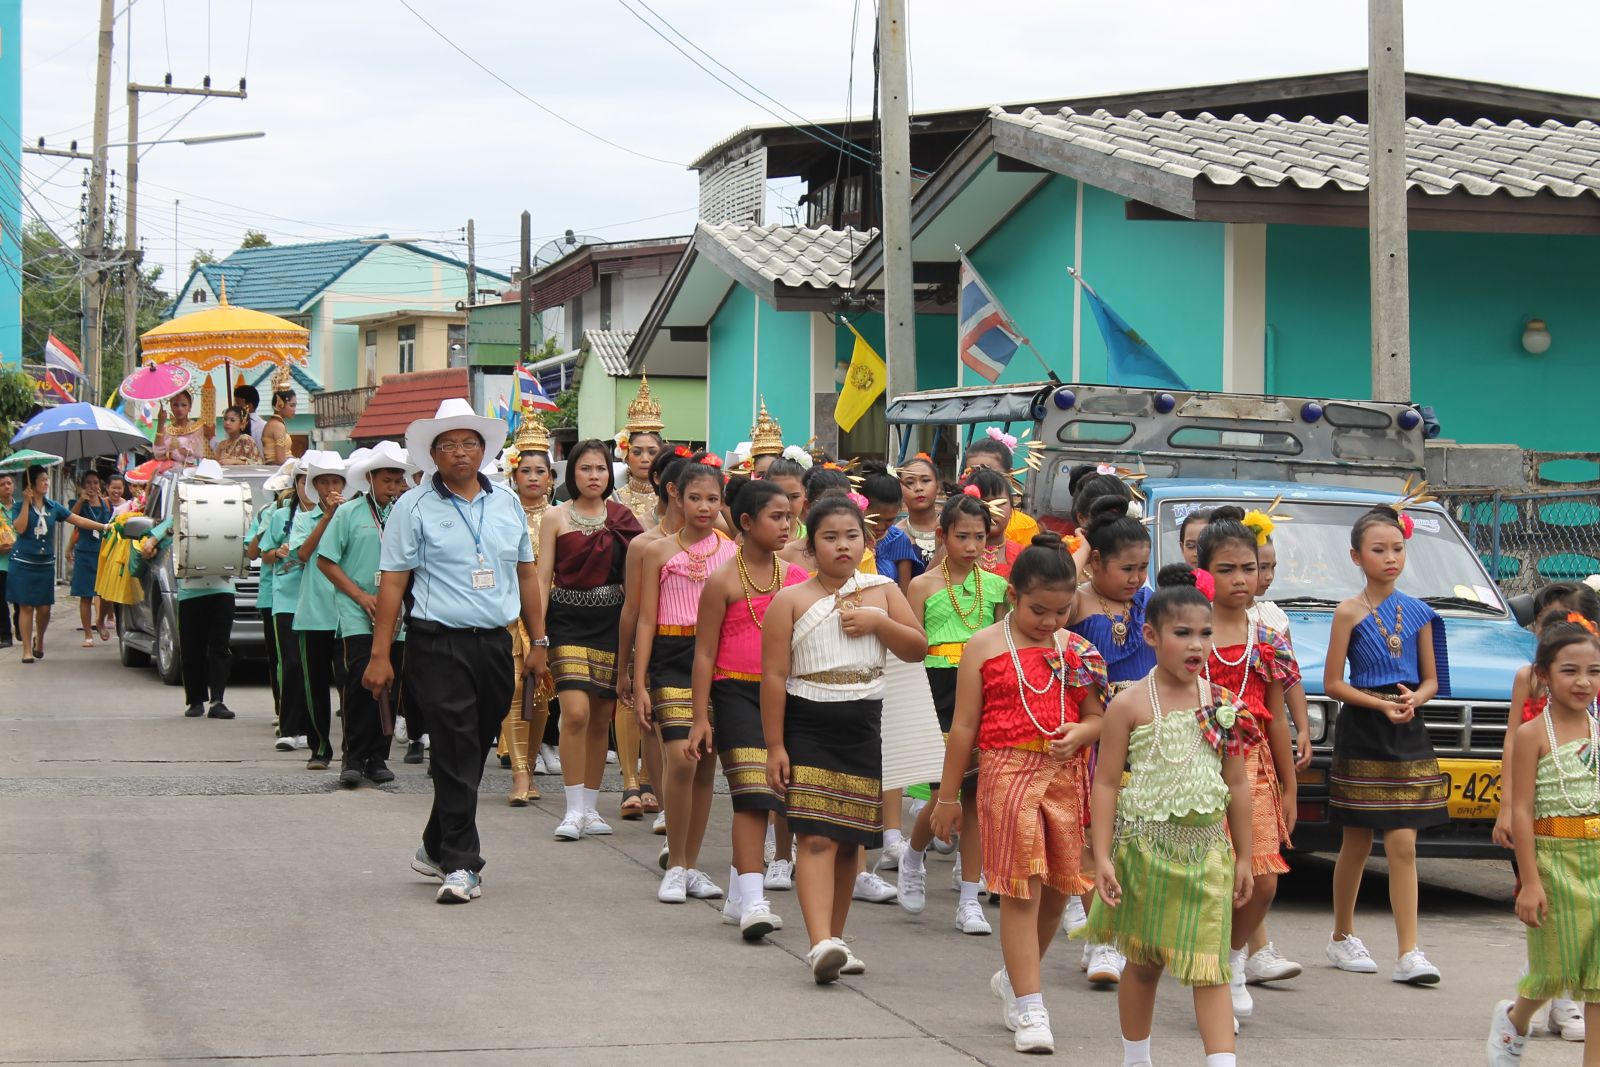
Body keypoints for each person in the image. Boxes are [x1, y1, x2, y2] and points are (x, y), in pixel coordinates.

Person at [363, 397, 548, 905]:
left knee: (472, 748)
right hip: (436, 644)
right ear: (433, 454)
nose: (460, 452)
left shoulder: (507, 501)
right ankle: (463, 863)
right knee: (453, 746)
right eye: (448, 445)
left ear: (484, 450)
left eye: (469, 443)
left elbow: (526, 574)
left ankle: (433, 843)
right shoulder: (413, 506)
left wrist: (539, 641)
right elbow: (393, 583)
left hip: (495, 643)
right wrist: (381, 654)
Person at [1076, 564, 1255, 1067]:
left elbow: (1238, 783)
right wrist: (1102, 856)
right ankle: (1137, 1059)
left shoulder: (1223, 704)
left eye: (1205, 633)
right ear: (1152, 636)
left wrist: (1244, 856)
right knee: (1144, 962)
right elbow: (1105, 783)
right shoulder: (1128, 704)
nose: (1196, 645)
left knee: (1210, 968)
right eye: (1182, 633)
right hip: (1145, 852)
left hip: (1208, 855)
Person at [937, 533, 1106, 1054]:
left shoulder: (1078, 650)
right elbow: (964, 726)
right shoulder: (984, 645)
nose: (1050, 622)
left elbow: (1098, 717)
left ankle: (1016, 978)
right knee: (1021, 890)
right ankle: (1032, 1007)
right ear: (1013, 595)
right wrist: (947, 796)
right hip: (1007, 775)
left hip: (1065, 777)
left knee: (1058, 891)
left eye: (1061, 611)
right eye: (1038, 610)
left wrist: (1082, 732)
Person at [761, 495, 925, 984]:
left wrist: (880, 623)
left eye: (851, 535)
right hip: (808, 724)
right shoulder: (790, 600)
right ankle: (819, 942)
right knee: (815, 836)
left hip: (865, 725)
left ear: (866, 541)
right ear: (811, 547)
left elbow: (917, 648)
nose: (842, 546)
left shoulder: (884, 591)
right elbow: (773, 677)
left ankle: (835, 938)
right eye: (829, 537)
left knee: (851, 841)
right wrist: (775, 746)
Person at [1323, 504, 1449, 984]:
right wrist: (1379, 705)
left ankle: (1409, 951)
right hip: (1363, 727)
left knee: (1403, 844)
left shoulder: (1419, 613)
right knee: (1355, 841)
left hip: (1407, 728)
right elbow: (1333, 683)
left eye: (1397, 549)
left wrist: (1417, 697)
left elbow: (1432, 679)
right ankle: (1341, 935)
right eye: (1379, 550)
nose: (1391, 558)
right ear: (1356, 556)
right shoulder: (1347, 612)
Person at [1192, 507, 1300, 1025]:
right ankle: (1211, 975)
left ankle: (1235, 958)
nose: (1241, 579)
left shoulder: (1268, 639)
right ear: (1204, 572)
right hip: (1198, 766)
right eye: (1227, 569)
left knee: (1263, 882)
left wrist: (1290, 787)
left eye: (1249, 568)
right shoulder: (1193, 635)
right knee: (1212, 881)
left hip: (1254, 771)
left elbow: (1277, 718)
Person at [692, 478, 805, 939]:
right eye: (775, 517)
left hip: (787, 694)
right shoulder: (722, 580)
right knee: (753, 795)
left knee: (777, 792)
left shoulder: (796, 579)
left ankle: (739, 894)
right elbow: (703, 653)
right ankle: (754, 901)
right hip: (733, 692)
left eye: (789, 516)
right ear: (746, 522)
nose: (786, 525)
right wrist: (700, 717)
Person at [1486, 615, 1600, 1066]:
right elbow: (1522, 810)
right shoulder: (1531, 734)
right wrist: (1530, 881)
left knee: (1599, 977)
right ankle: (1515, 1019)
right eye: (1570, 670)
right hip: (1554, 862)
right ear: (1544, 675)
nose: (1583, 681)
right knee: (1554, 970)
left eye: (1593, 671)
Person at [899, 492, 1011, 934]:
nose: (971, 545)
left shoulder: (997, 586)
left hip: (984, 688)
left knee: (976, 798)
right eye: (962, 536)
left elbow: (1003, 642)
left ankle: (968, 900)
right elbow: (912, 645)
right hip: (936, 690)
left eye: (979, 537)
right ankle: (913, 856)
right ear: (942, 535)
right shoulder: (922, 586)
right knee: (941, 793)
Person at [636, 455, 736, 904]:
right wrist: (639, 681)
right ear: (677, 497)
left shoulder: (732, 552)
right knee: (682, 758)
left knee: (706, 763)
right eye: (695, 497)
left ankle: (692, 864)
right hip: (671, 657)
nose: (704, 506)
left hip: (719, 660)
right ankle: (675, 863)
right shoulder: (657, 551)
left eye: (713, 499)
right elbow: (645, 619)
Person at [1066, 494, 1154, 986]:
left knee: (1134, 835)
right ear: (1097, 561)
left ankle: (1120, 931)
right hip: (1095, 728)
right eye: (1126, 568)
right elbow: (1053, 589)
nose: (1136, 578)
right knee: (1090, 832)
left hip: (1144, 730)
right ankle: (1101, 937)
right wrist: (1082, 549)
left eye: (1143, 567)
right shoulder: (1078, 600)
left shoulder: (1149, 602)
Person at [539, 438, 645, 841]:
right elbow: (542, 578)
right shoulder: (554, 516)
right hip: (566, 621)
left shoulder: (623, 518)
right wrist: (537, 634)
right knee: (576, 713)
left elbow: (635, 580)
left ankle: (590, 807)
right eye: (585, 468)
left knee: (602, 718)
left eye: (601, 468)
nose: (594, 476)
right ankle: (571, 809)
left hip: (611, 624)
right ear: (572, 473)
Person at [316, 442, 419, 788]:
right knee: (361, 681)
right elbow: (326, 561)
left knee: (392, 683)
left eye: (397, 481)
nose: (393, 487)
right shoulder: (348, 513)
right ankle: (353, 757)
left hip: (398, 612)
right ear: (370, 478)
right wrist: (360, 596)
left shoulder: (406, 514)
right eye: (386, 481)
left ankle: (378, 757)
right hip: (358, 609)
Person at [138, 460, 239, 718]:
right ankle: (195, 700)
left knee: (220, 647)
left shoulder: (232, 511)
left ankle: (217, 700)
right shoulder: (182, 512)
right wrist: (151, 543)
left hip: (222, 588)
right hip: (190, 590)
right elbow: (155, 538)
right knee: (192, 647)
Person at [495, 408, 555, 805]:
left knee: (542, 692)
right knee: (514, 686)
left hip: (549, 616)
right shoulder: (500, 512)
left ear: (550, 477)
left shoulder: (560, 516)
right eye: (526, 471)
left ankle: (530, 766)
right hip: (507, 614)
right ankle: (519, 772)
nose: (533, 478)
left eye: (540, 471)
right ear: (514, 475)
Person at [8, 465, 109, 663]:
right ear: (31, 484)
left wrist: (104, 526)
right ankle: (27, 650)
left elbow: (77, 520)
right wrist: (27, 503)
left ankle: (40, 639)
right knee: (26, 606)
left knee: (44, 608)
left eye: (47, 479)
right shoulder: (19, 506)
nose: (47, 482)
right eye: (43, 479)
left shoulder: (53, 506)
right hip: (23, 562)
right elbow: (20, 528)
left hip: (45, 564)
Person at [289, 452, 348, 771]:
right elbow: (302, 554)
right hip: (314, 614)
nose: (330, 488)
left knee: (350, 685)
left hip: (347, 615)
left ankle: (353, 749)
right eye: (323, 482)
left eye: (335, 481)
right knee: (314, 686)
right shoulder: (304, 519)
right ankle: (320, 748)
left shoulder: (352, 516)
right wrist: (326, 517)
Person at [258, 460, 314, 753]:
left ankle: (311, 728)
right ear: (297, 485)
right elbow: (264, 553)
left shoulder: (332, 516)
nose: (310, 488)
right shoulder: (281, 516)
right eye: (304, 482)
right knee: (291, 662)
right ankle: (290, 728)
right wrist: (278, 553)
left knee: (313, 664)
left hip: (318, 599)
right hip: (287, 598)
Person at [249, 460, 296, 749]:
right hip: (272, 594)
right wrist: (266, 526)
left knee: (296, 659)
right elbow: (255, 552)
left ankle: (294, 712)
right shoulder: (270, 513)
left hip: (301, 595)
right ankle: (283, 710)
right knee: (279, 657)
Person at [963, 429, 1042, 549]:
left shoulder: (1024, 526)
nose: (981, 478)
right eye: (972, 472)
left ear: (1010, 475)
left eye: (989, 471)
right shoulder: (956, 519)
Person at [67, 470, 112, 648]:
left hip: (102, 553)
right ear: (82, 485)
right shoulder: (77, 503)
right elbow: (71, 518)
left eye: (95, 482)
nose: (92, 486)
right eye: (88, 483)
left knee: (105, 594)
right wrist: (81, 500)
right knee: (85, 596)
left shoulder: (106, 503)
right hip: (85, 553)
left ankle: (100, 621)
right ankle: (88, 634)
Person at [614, 376, 665, 524]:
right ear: (626, 456)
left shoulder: (673, 497)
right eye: (637, 452)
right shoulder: (613, 500)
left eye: (652, 452)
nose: (645, 459)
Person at [860, 462, 919, 590]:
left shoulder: (899, 540)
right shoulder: (848, 538)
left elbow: (904, 593)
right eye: (874, 519)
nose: (880, 526)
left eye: (889, 520)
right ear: (861, 506)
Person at [962, 468, 1022, 579]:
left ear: (1011, 509)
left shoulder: (1022, 556)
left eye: (998, 503)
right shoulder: (954, 552)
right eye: (983, 502)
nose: (990, 510)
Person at [896, 453, 941, 571]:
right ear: (899, 490)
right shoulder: (894, 535)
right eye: (910, 482)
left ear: (938, 486)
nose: (919, 488)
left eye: (925, 480)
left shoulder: (953, 528)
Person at [153, 390, 212, 465]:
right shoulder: (166, 429)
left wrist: (172, 452)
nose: (179, 409)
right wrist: (160, 424)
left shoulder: (198, 429)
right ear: (171, 406)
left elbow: (198, 453)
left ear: (190, 407)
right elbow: (158, 455)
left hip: (191, 470)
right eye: (175, 405)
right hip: (168, 469)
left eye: (184, 405)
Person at [262, 369, 296, 466]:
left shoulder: (275, 423)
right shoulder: (277, 426)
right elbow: (280, 460)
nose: (294, 409)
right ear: (280, 404)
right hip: (277, 469)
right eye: (292, 405)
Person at [0, 471, 14, 649]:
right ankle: (5, 635)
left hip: (19, 561)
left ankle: (20, 624)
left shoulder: (20, 508)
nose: (6, 487)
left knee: (20, 599)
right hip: (1, 562)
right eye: (2, 484)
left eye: (9, 483)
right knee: (1, 601)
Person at [233, 382, 266, 449]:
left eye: (237, 403)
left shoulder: (262, 426)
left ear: (249, 405)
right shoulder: (234, 423)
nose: (234, 406)